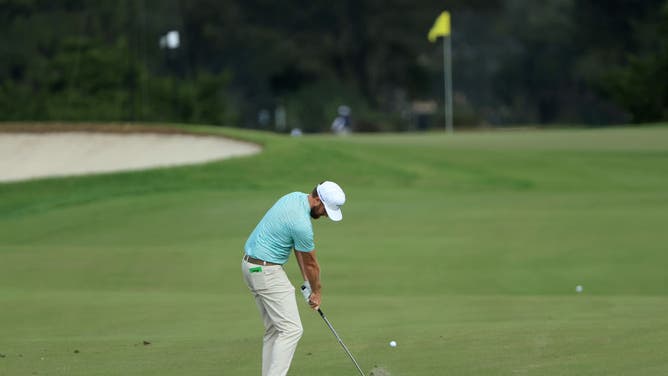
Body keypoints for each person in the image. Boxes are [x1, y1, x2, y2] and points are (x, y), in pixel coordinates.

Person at [241, 181, 346, 376]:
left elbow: (299, 250)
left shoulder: (293, 198)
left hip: (250, 266)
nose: (324, 215)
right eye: (325, 210)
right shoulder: (302, 224)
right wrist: (316, 291)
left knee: (274, 329)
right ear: (317, 200)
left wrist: (307, 283)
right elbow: (312, 264)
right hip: (266, 272)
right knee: (291, 329)